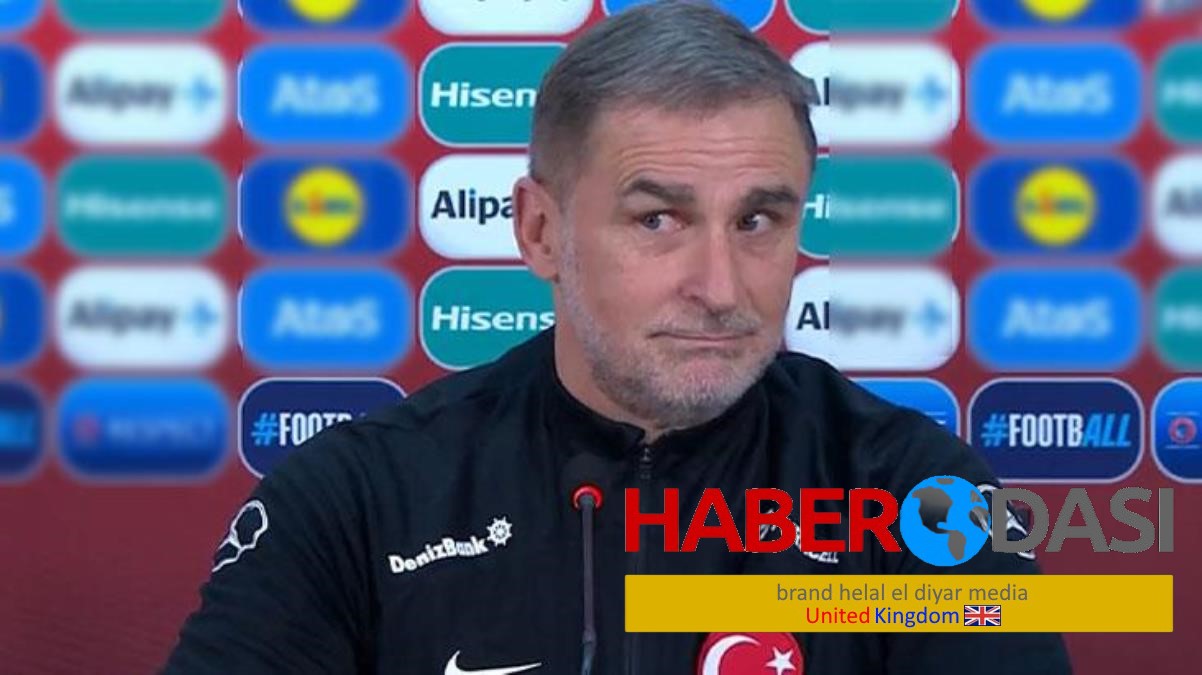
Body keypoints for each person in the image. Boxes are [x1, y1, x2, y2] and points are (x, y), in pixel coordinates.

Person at [162, 1, 1071, 673]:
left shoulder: (921, 491)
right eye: (657, 220)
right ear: (540, 233)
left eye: (757, 221)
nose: (721, 288)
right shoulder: (358, 498)